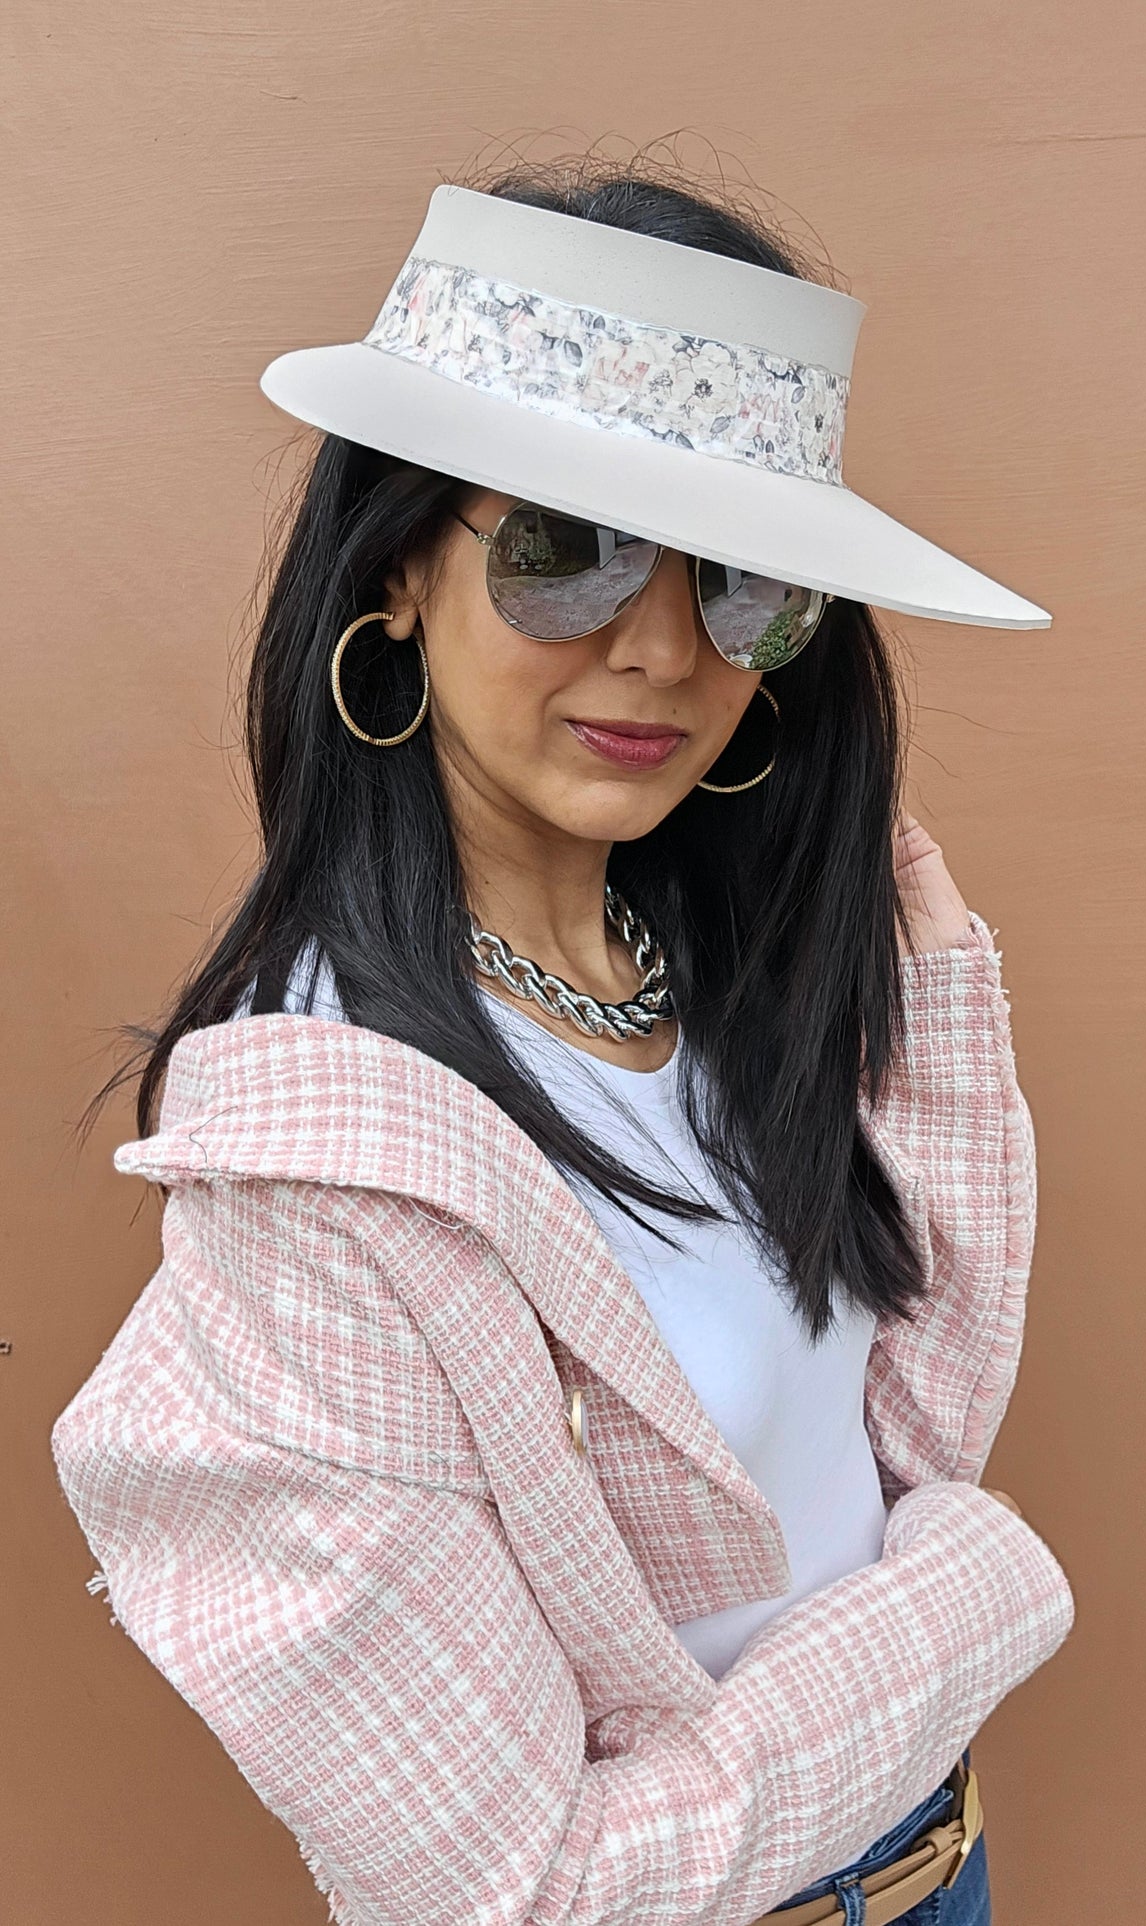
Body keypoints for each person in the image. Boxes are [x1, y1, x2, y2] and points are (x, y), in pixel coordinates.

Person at [51, 159, 1074, 1926]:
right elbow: (519, 1891)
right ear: (390, 578)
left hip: (944, 1874)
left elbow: (897, 1440)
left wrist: (938, 1032)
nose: (664, 647)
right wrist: (965, 1611)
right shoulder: (318, 1180)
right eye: (560, 549)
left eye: (742, 580)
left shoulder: (731, 964)